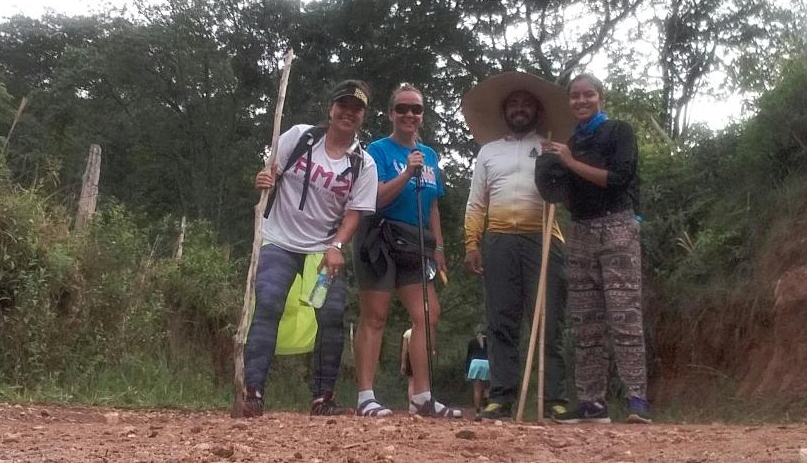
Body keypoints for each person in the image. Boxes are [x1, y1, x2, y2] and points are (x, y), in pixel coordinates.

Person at [243, 80, 379, 418]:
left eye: (356, 108)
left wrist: (336, 246)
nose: (348, 112)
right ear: (331, 109)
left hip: (324, 247)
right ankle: (252, 393)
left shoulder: (364, 164)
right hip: (279, 238)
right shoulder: (300, 137)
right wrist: (263, 178)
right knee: (269, 305)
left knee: (332, 315)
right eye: (343, 105)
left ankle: (323, 399)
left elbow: (354, 214)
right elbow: (270, 172)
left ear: (362, 116)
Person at [461, 71, 577, 421]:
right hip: (498, 239)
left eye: (527, 104)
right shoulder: (488, 153)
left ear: (537, 111)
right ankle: (501, 397)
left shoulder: (551, 147)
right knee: (500, 321)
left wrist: (558, 164)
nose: (520, 109)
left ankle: (553, 398)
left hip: (543, 238)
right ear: (505, 112)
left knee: (548, 320)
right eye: (514, 104)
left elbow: (568, 197)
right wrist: (471, 243)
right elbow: (476, 202)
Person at [542, 73, 651, 425]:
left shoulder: (619, 131)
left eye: (588, 95)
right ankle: (592, 403)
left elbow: (618, 178)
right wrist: (552, 170)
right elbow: (567, 196)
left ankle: (637, 400)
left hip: (617, 226)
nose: (581, 101)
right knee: (586, 323)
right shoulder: (571, 140)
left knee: (624, 317)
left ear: (600, 96)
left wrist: (570, 161)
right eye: (574, 97)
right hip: (581, 232)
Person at [351, 84, 460, 418]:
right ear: (391, 114)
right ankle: (366, 396)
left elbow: (433, 205)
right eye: (402, 109)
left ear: (422, 115)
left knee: (428, 313)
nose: (409, 115)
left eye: (416, 109)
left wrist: (439, 246)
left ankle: (422, 396)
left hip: (416, 242)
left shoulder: (430, 155)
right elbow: (376, 198)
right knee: (376, 315)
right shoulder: (377, 151)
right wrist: (407, 172)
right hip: (379, 238)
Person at [465, 328, 490, 414]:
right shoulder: (490, 341)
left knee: (476, 389)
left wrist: (467, 371)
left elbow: (468, 357)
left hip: (475, 364)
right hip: (487, 363)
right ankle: (487, 406)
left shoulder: (472, 342)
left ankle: (477, 411)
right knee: (487, 387)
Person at [400, 328, 415, 403]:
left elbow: (404, 350)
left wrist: (403, 363)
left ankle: (411, 404)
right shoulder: (423, 332)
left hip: (410, 357)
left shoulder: (408, 332)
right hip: (422, 358)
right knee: (423, 383)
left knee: (411, 383)